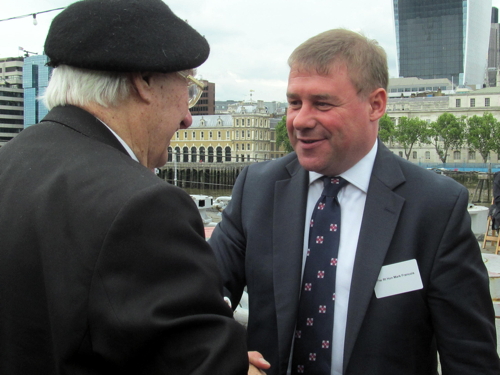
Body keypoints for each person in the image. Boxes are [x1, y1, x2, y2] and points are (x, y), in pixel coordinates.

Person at [209, 29, 500, 374]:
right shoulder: (256, 189)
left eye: (322, 103)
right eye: (293, 102)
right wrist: (225, 354)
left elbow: (470, 358)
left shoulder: (436, 208)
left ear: (376, 104)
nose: (300, 120)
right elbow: (201, 291)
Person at [0, 0, 251, 374]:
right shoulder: (144, 206)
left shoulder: (9, 164)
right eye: (189, 87)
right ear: (144, 81)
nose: (187, 117)